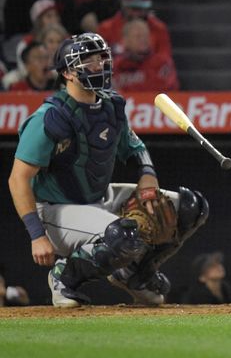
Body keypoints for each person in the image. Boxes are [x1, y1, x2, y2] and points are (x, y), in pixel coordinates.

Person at [6, 32, 209, 307]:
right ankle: (64, 277)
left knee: (189, 208)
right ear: (67, 73)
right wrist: (36, 235)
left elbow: (135, 148)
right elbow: (18, 179)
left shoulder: (111, 106)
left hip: (101, 199)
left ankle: (135, 274)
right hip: (55, 211)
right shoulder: (50, 118)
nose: (99, 65)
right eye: (88, 61)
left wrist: (147, 175)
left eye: (101, 58)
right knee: (125, 235)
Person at [111, 19, 179, 92]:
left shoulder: (162, 63)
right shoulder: (115, 66)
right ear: (125, 41)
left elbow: (169, 89)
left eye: (146, 35)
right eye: (138, 36)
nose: (143, 39)